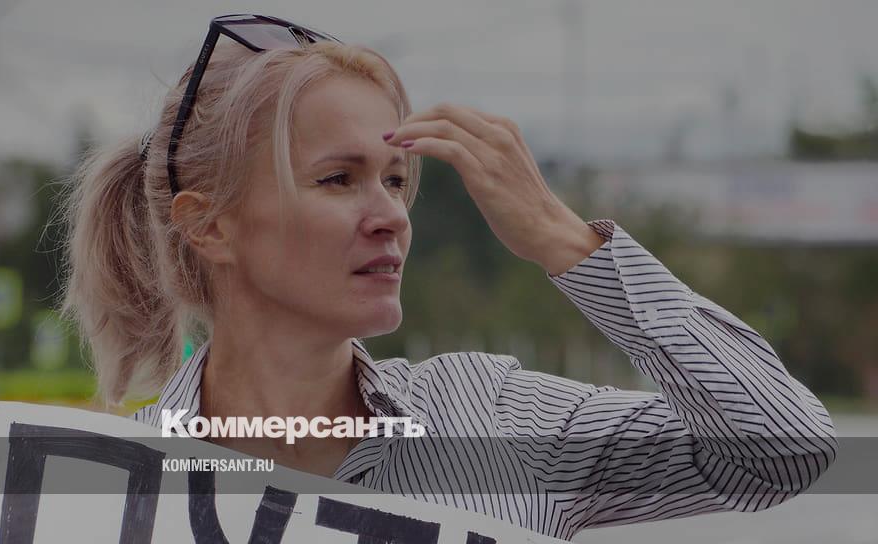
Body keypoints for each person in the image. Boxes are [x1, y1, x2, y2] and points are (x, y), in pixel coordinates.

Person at [58, 13, 837, 541]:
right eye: (338, 179)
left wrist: (566, 240)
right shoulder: (104, 488)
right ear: (210, 226)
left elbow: (782, 452)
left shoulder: (494, 417)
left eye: (397, 181)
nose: (390, 216)